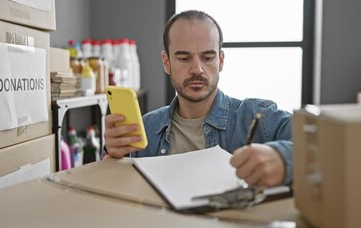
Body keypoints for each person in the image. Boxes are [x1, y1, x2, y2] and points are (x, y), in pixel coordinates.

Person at [103, 10, 293, 187]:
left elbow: (319, 146)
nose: (197, 69)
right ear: (166, 63)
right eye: (184, 58)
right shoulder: (144, 129)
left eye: (208, 57)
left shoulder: (258, 116)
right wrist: (112, 159)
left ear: (221, 61)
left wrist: (283, 158)